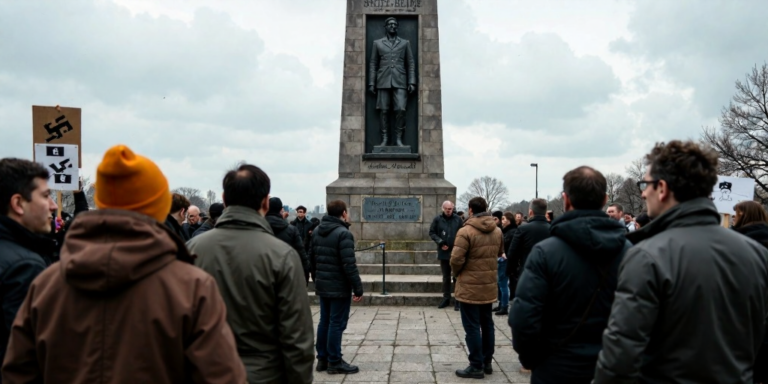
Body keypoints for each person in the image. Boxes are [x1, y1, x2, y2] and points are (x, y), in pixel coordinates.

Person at [2, 145, 246, 383]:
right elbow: (221, 374)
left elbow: (18, 373)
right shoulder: (192, 287)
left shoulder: (46, 284)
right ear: (158, 207)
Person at [594, 141, 768, 384]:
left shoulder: (647, 256)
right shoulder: (757, 254)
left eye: (645, 184)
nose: (643, 193)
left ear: (662, 188)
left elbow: (621, 354)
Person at [187, 164, 314, 383]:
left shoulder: (191, 250)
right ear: (265, 201)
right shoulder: (282, 256)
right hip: (263, 375)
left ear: (225, 199)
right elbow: (297, 339)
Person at [510, 166, 631, 383]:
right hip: (613, 367)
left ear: (565, 200)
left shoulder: (545, 253)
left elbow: (524, 317)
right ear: (604, 199)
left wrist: (532, 359)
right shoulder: (631, 252)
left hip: (556, 367)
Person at [0, 158, 57, 368]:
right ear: (18, 204)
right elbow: (32, 353)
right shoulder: (25, 267)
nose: (54, 206)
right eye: (45, 196)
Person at [451, 197, 504, 379]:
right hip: (488, 285)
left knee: (472, 326)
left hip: (470, 287)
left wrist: (457, 274)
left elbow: (456, 259)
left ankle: (476, 365)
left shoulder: (465, 231)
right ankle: (487, 362)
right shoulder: (497, 231)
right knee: (487, 324)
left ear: (470, 210)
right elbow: (499, 253)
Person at [310, 200, 364, 375]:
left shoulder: (317, 230)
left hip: (323, 284)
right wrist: (358, 288)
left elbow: (311, 258)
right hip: (339, 286)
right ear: (343, 213)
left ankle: (322, 359)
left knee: (324, 321)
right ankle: (334, 360)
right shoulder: (343, 233)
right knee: (336, 323)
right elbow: (349, 264)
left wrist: (317, 278)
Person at [369, 17, 416, 147]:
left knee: (401, 109)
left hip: (400, 80)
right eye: (390, 24)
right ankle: (384, 139)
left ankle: (399, 139)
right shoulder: (377, 43)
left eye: (395, 24)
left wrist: (412, 82)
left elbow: (410, 63)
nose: (392, 26)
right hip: (382, 80)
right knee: (383, 110)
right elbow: (373, 63)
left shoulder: (405, 43)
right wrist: (371, 83)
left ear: (397, 26)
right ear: (385, 26)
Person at [506, 198, 551, 298]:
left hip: (526, 271)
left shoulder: (523, 229)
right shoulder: (552, 229)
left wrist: (510, 271)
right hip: (548, 273)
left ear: (530, 212)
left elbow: (512, 252)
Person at [429, 200, 464, 309]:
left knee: (457, 276)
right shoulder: (437, 219)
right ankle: (446, 298)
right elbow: (432, 232)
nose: (448, 211)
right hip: (443, 252)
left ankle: (458, 299)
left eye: (450, 209)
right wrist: (440, 242)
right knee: (446, 276)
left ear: (453, 209)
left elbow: (462, 233)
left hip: (456, 252)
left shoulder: (458, 219)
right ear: (443, 208)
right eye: (446, 209)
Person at [266, 197, 310, 283]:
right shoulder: (292, 229)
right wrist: (306, 275)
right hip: (286, 274)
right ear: (281, 210)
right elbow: (301, 253)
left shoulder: (257, 227)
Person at [494, 211, 517, 316]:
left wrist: (504, 254)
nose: (502, 221)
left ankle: (504, 306)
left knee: (503, 284)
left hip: (504, 260)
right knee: (500, 283)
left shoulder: (512, 232)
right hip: (501, 259)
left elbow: (511, 248)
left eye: (504, 219)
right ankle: (501, 304)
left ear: (509, 220)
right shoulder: (505, 231)